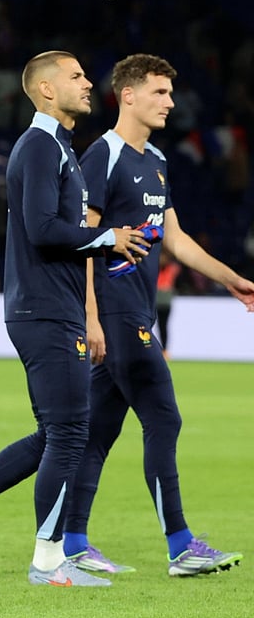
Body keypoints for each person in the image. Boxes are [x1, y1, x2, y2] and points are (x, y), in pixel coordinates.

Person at [0, 50, 149, 586]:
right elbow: (43, 229)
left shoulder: (60, 149)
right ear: (46, 89)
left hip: (52, 307)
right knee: (71, 433)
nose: (89, 83)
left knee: (57, 432)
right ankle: (48, 563)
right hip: (44, 309)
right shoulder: (40, 147)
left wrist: (101, 252)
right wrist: (107, 237)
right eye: (76, 77)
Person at [63, 53, 253, 576]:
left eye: (171, 93)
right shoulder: (103, 155)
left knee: (99, 431)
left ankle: (72, 542)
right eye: (160, 93)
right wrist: (92, 317)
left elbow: (175, 239)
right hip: (118, 312)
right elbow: (85, 242)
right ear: (128, 95)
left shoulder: (157, 161)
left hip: (136, 310)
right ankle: (180, 545)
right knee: (164, 417)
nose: (170, 102)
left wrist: (230, 278)